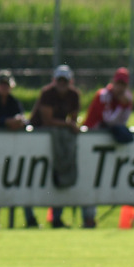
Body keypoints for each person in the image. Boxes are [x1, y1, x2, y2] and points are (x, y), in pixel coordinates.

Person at [0, 70, 38, 229]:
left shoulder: (14, 102)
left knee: (20, 181)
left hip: (12, 151)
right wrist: (6, 122)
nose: (4, 88)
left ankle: (29, 218)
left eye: (7, 84)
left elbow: (22, 120)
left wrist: (19, 122)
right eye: (1, 84)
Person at [81, 67, 134, 228]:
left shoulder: (128, 98)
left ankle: (90, 218)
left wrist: (124, 105)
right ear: (113, 82)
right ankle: (89, 218)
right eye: (118, 83)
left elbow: (123, 121)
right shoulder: (103, 95)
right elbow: (109, 120)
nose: (120, 88)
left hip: (106, 147)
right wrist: (121, 106)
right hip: (91, 141)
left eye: (123, 84)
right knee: (89, 180)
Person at [30, 64, 82, 229]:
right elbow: (47, 120)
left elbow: (73, 120)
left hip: (59, 136)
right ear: (54, 81)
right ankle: (29, 217)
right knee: (35, 178)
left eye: (65, 81)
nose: (62, 84)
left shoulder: (74, 95)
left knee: (60, 176)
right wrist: (68, 125)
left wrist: (71, 125)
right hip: (39, 136)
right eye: (59, 80)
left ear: (70, 81)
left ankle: (56, 218)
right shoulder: (47, 93)